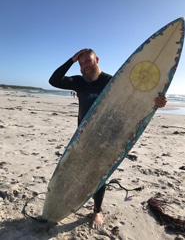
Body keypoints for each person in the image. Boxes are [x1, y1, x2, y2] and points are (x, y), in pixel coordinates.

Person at [49, 48, 167, 229]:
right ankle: (72, 202)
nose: (85, 66)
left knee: (98, 175)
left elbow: (137, 100)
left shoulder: (114, 82)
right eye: (81, 63)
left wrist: (156, 102)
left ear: (97, 59)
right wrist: (72, 59)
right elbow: (54, 80)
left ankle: (97, 211)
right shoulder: (79, 82)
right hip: (83, 137)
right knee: (77, 171)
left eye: (87, 61)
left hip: (108, 137)